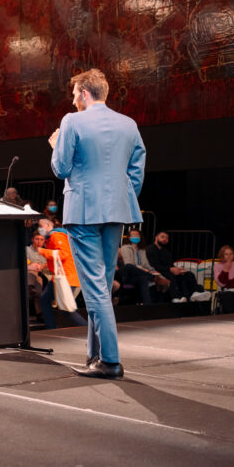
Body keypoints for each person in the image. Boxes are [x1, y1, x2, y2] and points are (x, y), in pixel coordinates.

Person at [50, 68, 145, 380]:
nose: (73, 99)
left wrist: (56, 145)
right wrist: (118, 196)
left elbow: (61, 167)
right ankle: (96, 355)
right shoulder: (128, 124)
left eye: (75, 93)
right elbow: (136, 172)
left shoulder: (71, 121)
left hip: (84, 211)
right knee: (101, 285)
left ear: (84, 93)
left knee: (95, 289)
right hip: (117, 211)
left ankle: (111, 360)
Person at [146, 231, 208, 303]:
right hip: (156, 271)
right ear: (156, 237)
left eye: (167, 238)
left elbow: (170, 265)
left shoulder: (166, 252)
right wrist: (171, 269)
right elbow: (153, 265)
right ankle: (175, 298)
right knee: (171, 275)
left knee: (188, 274)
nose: (165, 239)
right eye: (162, 237)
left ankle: (194, 293)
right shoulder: (149, 249)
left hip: (167, 270)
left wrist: (178, 270)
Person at [117, 229, 163, 306]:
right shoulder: (125, 248)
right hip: (128, 275)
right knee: (130, 267)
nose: (135, 237)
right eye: (133, 235)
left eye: (137, 235)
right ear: (128, 237)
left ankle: (147, 305)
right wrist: (142, 269)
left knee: (143, 278)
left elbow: (147, 265)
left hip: (140, 274)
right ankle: (152, 277)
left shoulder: (142, 250)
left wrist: (154, 271)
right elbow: (129, 264)